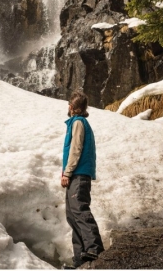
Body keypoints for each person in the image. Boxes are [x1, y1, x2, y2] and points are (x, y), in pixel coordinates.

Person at [61, 90, 104, 269]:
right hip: (77, 174)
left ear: (72, 107)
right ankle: (80, 258)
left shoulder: (78, 122)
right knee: (72, 215)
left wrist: (67, 172)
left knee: (79, 210)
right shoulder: (78, 122)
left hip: (78, 174)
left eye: (69, 105)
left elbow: (75, 149)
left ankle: (95, 248)